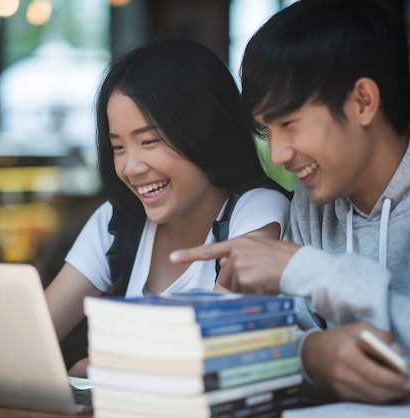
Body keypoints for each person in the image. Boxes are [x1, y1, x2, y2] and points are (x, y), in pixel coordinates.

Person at [170, 0, 410, 404]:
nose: (280, 154)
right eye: (268, 131)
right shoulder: (312, 200)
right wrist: (312, 355)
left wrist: (309, 270)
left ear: (363, 102)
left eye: (289, 123)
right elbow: (290, 341)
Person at [45, 38, 291, 378]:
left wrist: (113, 365)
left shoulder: (257, 210)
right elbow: (34, 336)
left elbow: (217, 346)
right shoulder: (115, 221)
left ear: (205, 131)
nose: (131, 167)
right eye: (118, 147)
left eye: (149, 141)